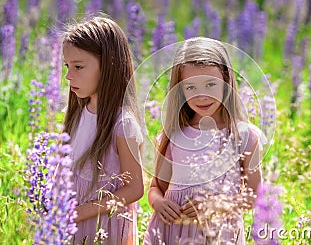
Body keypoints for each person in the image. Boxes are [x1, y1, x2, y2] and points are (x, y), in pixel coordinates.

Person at [144, 37, 266, 244]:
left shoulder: (243, 136)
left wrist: (216, 205)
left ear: (226, 81)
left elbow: (255, 196)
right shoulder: (174, 134)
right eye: (190, 87)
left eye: (210, 84)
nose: (201, 95)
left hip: (219, 233)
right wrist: (158, 202)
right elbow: (156, 186)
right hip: (172, 230)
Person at [62, 15, 144, 245]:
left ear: (109, 66)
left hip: (103, 226)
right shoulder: (78, 112)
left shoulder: (122, 123)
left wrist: (81, 212)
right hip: (70, 223)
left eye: (78, 67)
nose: (69, 75)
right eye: (67, 66)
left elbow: (135, 188)